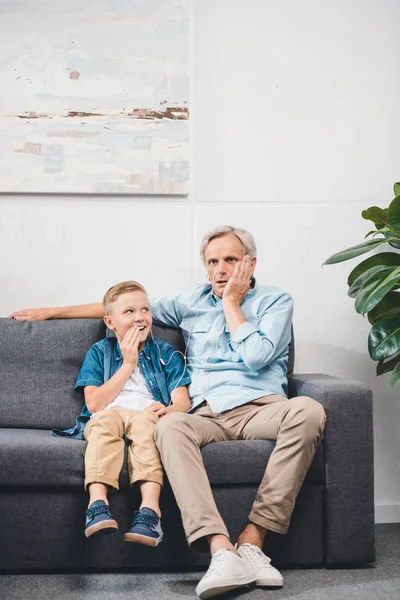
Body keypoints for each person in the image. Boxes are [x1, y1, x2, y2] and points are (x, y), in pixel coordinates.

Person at [10, 226, 326, 599]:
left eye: (230, 260)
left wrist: (231, 304)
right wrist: (52, 312)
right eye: (212, 261)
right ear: (204, 267)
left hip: (261, 407)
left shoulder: (276, 302)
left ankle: (252, 543)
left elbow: (257, 356)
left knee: (309, 410)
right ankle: (220, 550)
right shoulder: (188, 301)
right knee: (170, 426)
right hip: (205, 413)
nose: (220, 269)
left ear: (250, 263)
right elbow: (123, 307)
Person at [53, 280, 191, 546]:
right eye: (129, 312)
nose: (140, 317)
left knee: (147, 429)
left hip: (147, 414)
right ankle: (97, 504)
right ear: (110, 321)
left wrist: (168, 409)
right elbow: (95, 404)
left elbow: (182, 402)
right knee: (102, 424)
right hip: (109, 411)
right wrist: (128, 364)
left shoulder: (165, 353)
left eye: (145, 310)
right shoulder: (99, 352)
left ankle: (150, 512)